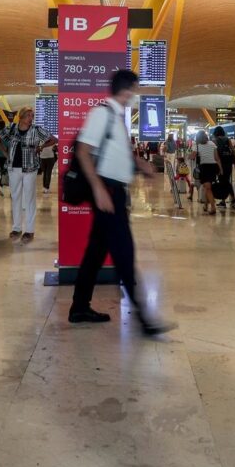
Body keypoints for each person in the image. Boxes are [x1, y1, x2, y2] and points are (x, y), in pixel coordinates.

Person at [69, 70, 172, 335]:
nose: (135, 96)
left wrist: (141, 165)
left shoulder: (116, 117)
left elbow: (119, 153)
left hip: (114, 191)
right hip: (107, 193)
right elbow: (82, 151)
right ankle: (143, 317)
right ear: (126, 91)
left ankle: (79, 307)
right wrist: (99, 189)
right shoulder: (101, 113)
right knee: (125, 253)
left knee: (95, 253)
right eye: (134, 91)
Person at [3, 108, 57, 242]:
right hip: (13, 168)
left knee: (29, 198)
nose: (30, 118)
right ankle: (16, 228)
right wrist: (5, 153)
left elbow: (54, 139)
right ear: (20, 117)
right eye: (28, 116)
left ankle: (29, 230)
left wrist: (41, 147)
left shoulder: (36, 129)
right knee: (15, 197)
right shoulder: (12, 128)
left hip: (30, 168)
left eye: (32, 116)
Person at [192, 130, 220, 214]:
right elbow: (216, 157)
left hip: (204, 167)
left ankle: (213, 206)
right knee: (208, 187)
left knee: (207, 188)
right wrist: (220, 168)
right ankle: (205, 205)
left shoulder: (196, 145)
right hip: (213, 167)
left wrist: (189, 155)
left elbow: (192, 156)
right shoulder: (212, 143)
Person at [213, 126, 235, 206]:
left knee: (223, 181)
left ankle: (232, 199)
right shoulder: (227, 139)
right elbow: (232, 150)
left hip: (220, 163)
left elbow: (214, 153)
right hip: (228, 163)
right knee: (225, 181)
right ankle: (224, 200)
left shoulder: (215, 140)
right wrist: (234, 159)